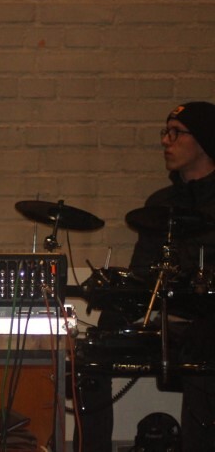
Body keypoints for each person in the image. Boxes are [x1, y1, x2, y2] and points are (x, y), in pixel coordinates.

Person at [76, 101, 215, 451]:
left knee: (203, 351)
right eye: (165, 132)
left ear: (204, 141)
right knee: (91, 350)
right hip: (164, 314)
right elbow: (141, 272)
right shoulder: (160, 202)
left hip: (206, 320)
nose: (166, 141)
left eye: (176, 133)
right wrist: (117, 297)